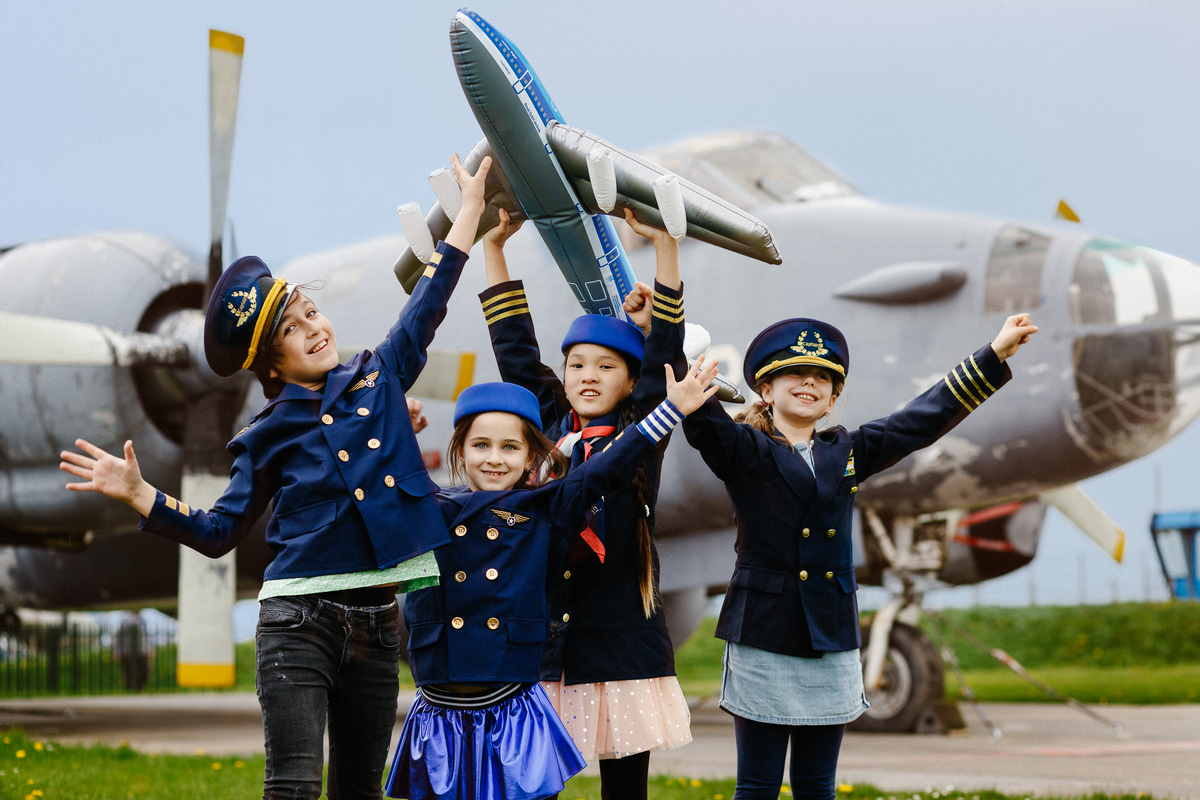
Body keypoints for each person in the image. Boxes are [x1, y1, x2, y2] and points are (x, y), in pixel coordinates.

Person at [58, 154, 493, 800]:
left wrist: (468, 219)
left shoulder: (378, 375)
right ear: (270, 365)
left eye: (309, 313)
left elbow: (427, 304)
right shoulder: (262, 435)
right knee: (291, 787)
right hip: (297, 622)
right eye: (291, 329)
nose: (314, 329)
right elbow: (218, 530)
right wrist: (140, 493)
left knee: (359, 791)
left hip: (377, 621)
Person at [682, 314, 1039, 800]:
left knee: (817, 786)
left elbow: (921, 420)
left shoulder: (846, 451)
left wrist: (993, 354)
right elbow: (695, 412)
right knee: (758, 786)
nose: (810, 381)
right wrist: (658, 332)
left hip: (831, 639)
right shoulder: (744, 449)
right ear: (765, 390)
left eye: (824, 377)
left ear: (832, 399)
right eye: (795, 372)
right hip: (764, 635)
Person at [387, 358, 718, 800]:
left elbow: (610, 465)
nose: (494, 459)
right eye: (480, 445)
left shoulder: (545, 507)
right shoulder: (432, 509)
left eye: (509, 448)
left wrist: (670, 410)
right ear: (459, 452)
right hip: (441, 711)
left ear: (531, 459)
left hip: (512, 703)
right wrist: (398, 430)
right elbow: (390, 482)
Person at [477, 208, 691, 799]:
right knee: (528, 784)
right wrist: (495, 249)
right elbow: (515, 350)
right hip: (545, 633)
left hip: (620, 631)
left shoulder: (641, 428)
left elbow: (665, 356)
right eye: (577, 365)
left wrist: (666, 251)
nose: (588, 376)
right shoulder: (547, 426)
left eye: (606, 367)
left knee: (625, 789)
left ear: (630, 381)